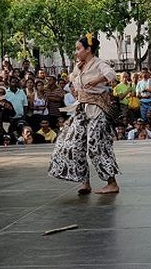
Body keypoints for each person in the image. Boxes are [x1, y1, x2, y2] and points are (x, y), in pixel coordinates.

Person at [49, 34, 120, 194]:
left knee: (96, 144)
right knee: (73, 143)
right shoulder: (79, 65)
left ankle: (112, 182)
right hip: (81, 108)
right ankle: (84, 181)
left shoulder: (99, 63)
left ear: (88, 49)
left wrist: (97, 80)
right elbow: (73, 80)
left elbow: (111, 74)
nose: (76, 52)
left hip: (97, 109)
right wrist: (75, 86)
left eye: (79, 48)